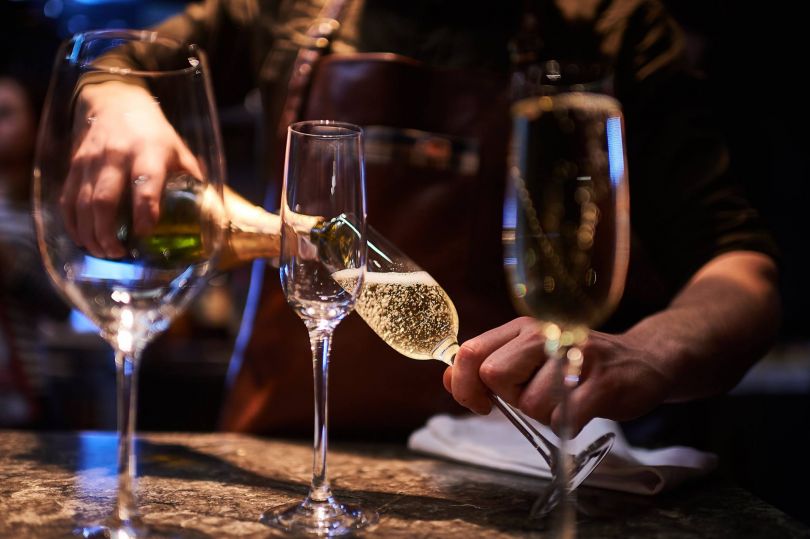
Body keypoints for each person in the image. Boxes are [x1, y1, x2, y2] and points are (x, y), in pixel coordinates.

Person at [60, 0, 780, 438]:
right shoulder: (284, 6)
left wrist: (652, 351)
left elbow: (741, 269)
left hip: (501, 478)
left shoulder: (615, 27)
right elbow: (122, 60)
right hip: (285, 453)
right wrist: (115, 99)